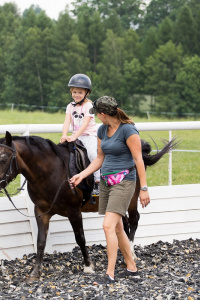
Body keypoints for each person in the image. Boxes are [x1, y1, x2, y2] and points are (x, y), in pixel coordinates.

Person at [69, 96, 150, 284]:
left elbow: (138, 160)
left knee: (107, 226)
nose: (96, 117)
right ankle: (132, 267)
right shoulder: (102, 130)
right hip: (106, 182)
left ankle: (110, 273)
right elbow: (99, 158)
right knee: (118, 227)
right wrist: (81, 174)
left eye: (97, 114)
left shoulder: (128, 130)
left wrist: (144, 188)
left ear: (103, 114)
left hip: (124, 182)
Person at [60, 74, 100, 195]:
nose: (76, 95)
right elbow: (67, 121)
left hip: (88, 136)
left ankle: (98, 180)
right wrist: (64, 135)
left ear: (86, 93)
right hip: (75, 136)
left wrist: (74, 137)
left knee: (93, 154)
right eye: (74, 92)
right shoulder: (70, 106)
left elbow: (85, 124)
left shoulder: (89, 106)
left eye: (80, 92)